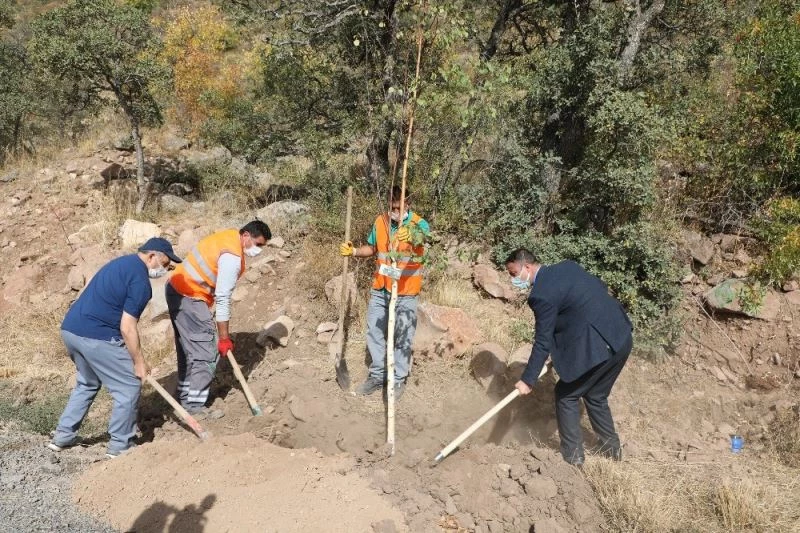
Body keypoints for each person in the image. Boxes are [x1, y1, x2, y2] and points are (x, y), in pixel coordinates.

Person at [48, 238, 182, 458]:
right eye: (166, 263)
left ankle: (62, 437)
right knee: (129, 387)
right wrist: (139, 363)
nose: (167, 269)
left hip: (71, 330)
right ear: (152, 256)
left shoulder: (121, 263)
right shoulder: (140, 282)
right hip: (96, 337)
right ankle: (121, 447)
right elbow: (127, 327)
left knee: (87, 382)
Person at [505, 248, 633, 466]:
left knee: (566, 395)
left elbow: (543, 341)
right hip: (621, 335)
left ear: (527, 266)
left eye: (514, 273)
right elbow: (593, 294)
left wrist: (528, 380)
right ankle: (613, 455)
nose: (513, 279)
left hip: (601, 346)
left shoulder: (540, 295)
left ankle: (573, 459)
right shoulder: (568, 266)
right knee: (596, 395)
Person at [166, 220, 271, 415]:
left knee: (189, 350)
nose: (259, 250)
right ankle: (193, 407)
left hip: (177, 290)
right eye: (258, 244)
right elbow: (223, 298)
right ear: (246, 235)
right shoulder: (232, 256)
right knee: (206, 354)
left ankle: (184, 398)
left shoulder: (228, 237)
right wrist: (223, 338)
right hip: (191, 296)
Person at [340, 186, 430, 399]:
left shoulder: (419, 223)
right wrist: (353, 251)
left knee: (403, 335)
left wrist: (415, 234)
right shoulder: (380, 221)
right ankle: (378, 374)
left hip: (407, 291)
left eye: (399, 206)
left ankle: (398, 379)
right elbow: (372, 249)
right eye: (392, 206)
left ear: (407, 204)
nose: (395, 210)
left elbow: (426, 237)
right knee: (374, 332)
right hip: (381, 288)